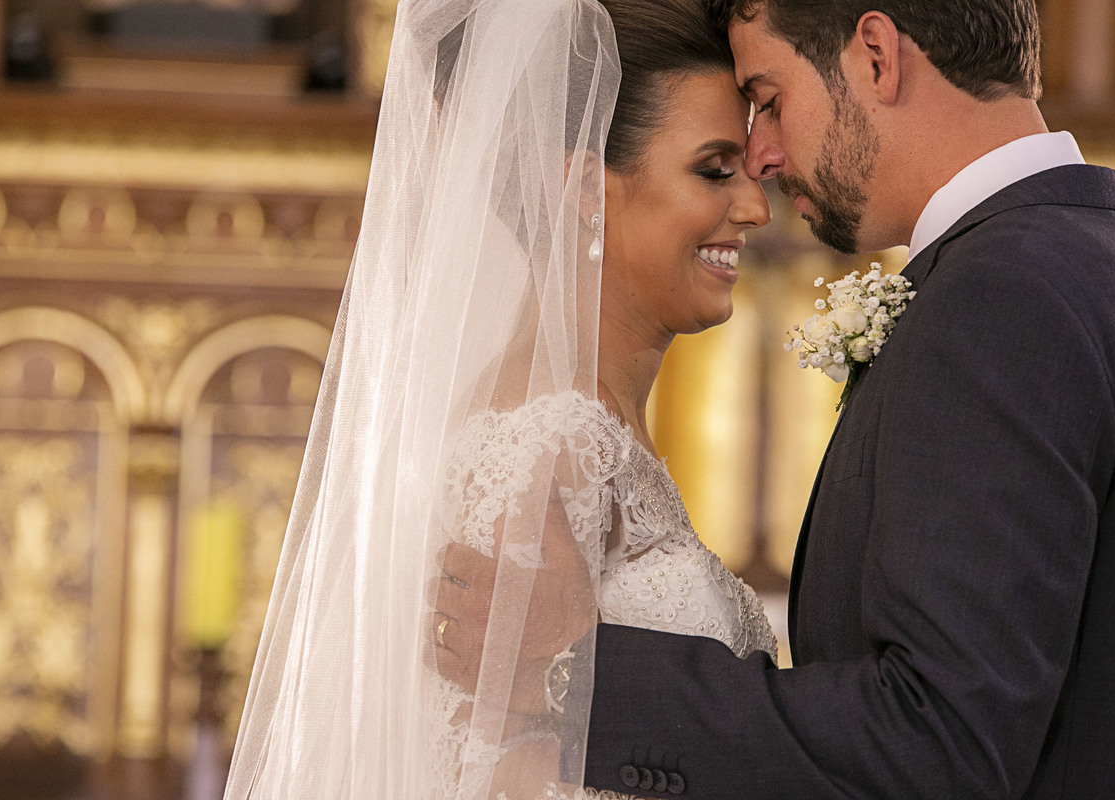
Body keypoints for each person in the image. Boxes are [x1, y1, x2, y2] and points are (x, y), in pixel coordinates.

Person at [224, 0, 772, 798]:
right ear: (588, 186)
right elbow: (497, 773)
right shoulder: (546, 440)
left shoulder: (587, 428)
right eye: (716, 169)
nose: (756, 206)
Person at [573, 0, 1115, 797]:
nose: (762, 155)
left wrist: (580, 679)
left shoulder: (1001, 295)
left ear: (874, 55)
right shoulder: (1081, 249)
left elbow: (942, 739)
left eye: (771, 96)